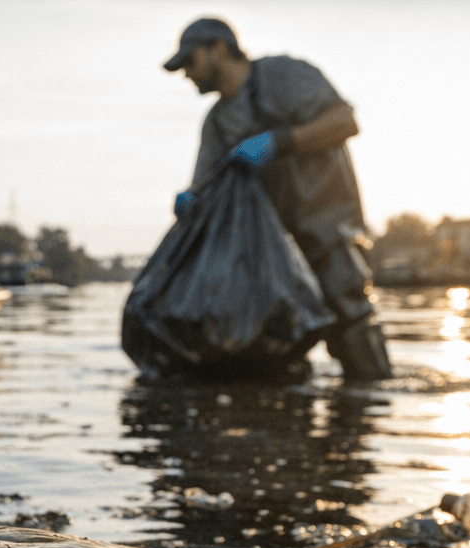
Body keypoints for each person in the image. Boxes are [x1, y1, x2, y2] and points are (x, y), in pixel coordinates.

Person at [166, 17, 392, 380]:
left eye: (190, 62)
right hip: (267, 256)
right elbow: (203, 185)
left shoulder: (284, 76)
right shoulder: (216, 124)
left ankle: (367, 415)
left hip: (326, 229)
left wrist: (279, 141)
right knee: (272, 344)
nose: (186, 74)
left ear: (220, 49)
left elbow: (344, 122)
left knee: (352, 324)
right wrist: (189, 200)